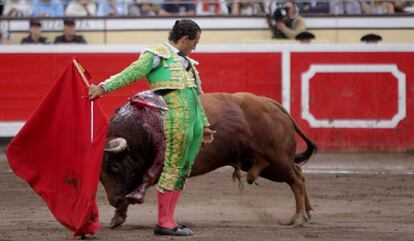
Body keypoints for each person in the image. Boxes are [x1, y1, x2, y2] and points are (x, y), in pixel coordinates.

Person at [88, 19, 215, 236]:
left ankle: (170, 220)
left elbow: (195, 97)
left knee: (183, 171)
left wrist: (203, 124)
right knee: (173, 168)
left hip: (192, 122)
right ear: (184, 39)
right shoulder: (156, 55)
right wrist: (103, 87)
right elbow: (130, 73)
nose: (196, 47)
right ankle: (164, 222)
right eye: (195, 42)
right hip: (176, 118)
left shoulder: (189, 64)